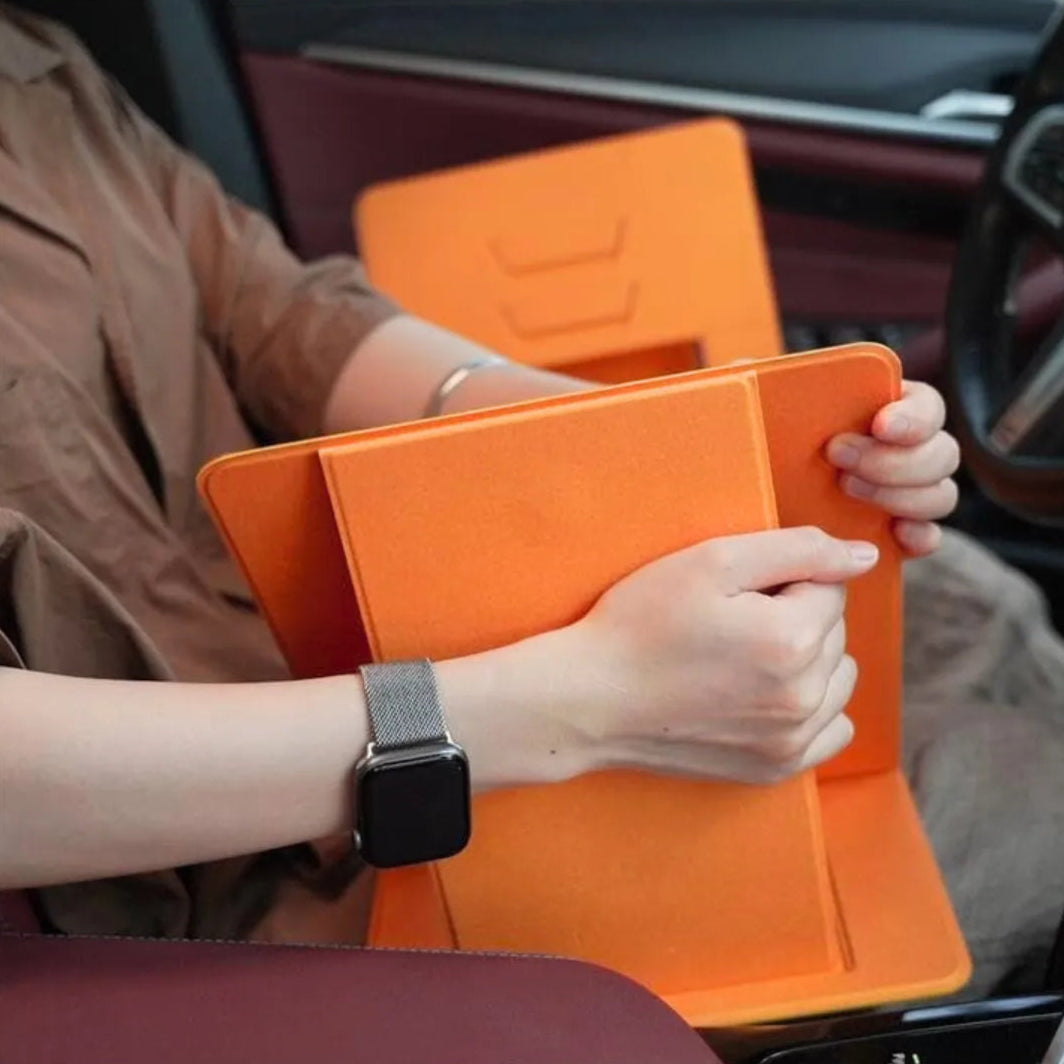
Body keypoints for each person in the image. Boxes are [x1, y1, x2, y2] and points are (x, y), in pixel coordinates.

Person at [0, 7, 1059, 996]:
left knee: (968, 602)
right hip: (229, 871)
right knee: (1036, 796)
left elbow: (279, 310)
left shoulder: (38, 71)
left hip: (397, 653)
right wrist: (565, 708)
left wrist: (676, 450)